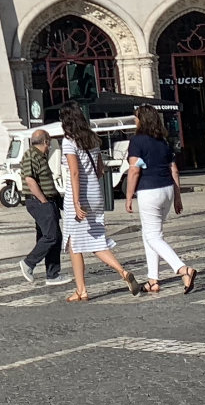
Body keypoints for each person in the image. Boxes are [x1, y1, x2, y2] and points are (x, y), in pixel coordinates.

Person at [57, 105, 143, 302]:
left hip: (79, 195)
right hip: (95, 193)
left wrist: (77, 201)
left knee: (74, 243)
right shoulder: (92, 139)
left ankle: (81, 290)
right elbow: (100, 170)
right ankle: (122, 272)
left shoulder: (69, 141)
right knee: (96, 240)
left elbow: (75, 173)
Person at [125, 105, 196, 294]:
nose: (134, 119)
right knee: (151, 234)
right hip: (167, 190)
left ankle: (183, 269)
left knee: (153, 236)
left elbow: (134, 170)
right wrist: (177, 197)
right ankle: (153, 280)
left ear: (142, 119)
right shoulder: (163, 142)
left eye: (136, 117)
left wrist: (128, 195)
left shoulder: (137, 141)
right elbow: (174, 169)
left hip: (149, 191)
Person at [15, 126, 68, 287]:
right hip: (39, 202)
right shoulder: (31, 155)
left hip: (47, 200)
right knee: (51, 236)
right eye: (49, 143)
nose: (50, 146)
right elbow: (30, 179)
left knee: (51, 236)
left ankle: (52, 275)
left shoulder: (39, 156)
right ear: (45, 141)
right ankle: (28, 263)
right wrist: (43, 200)